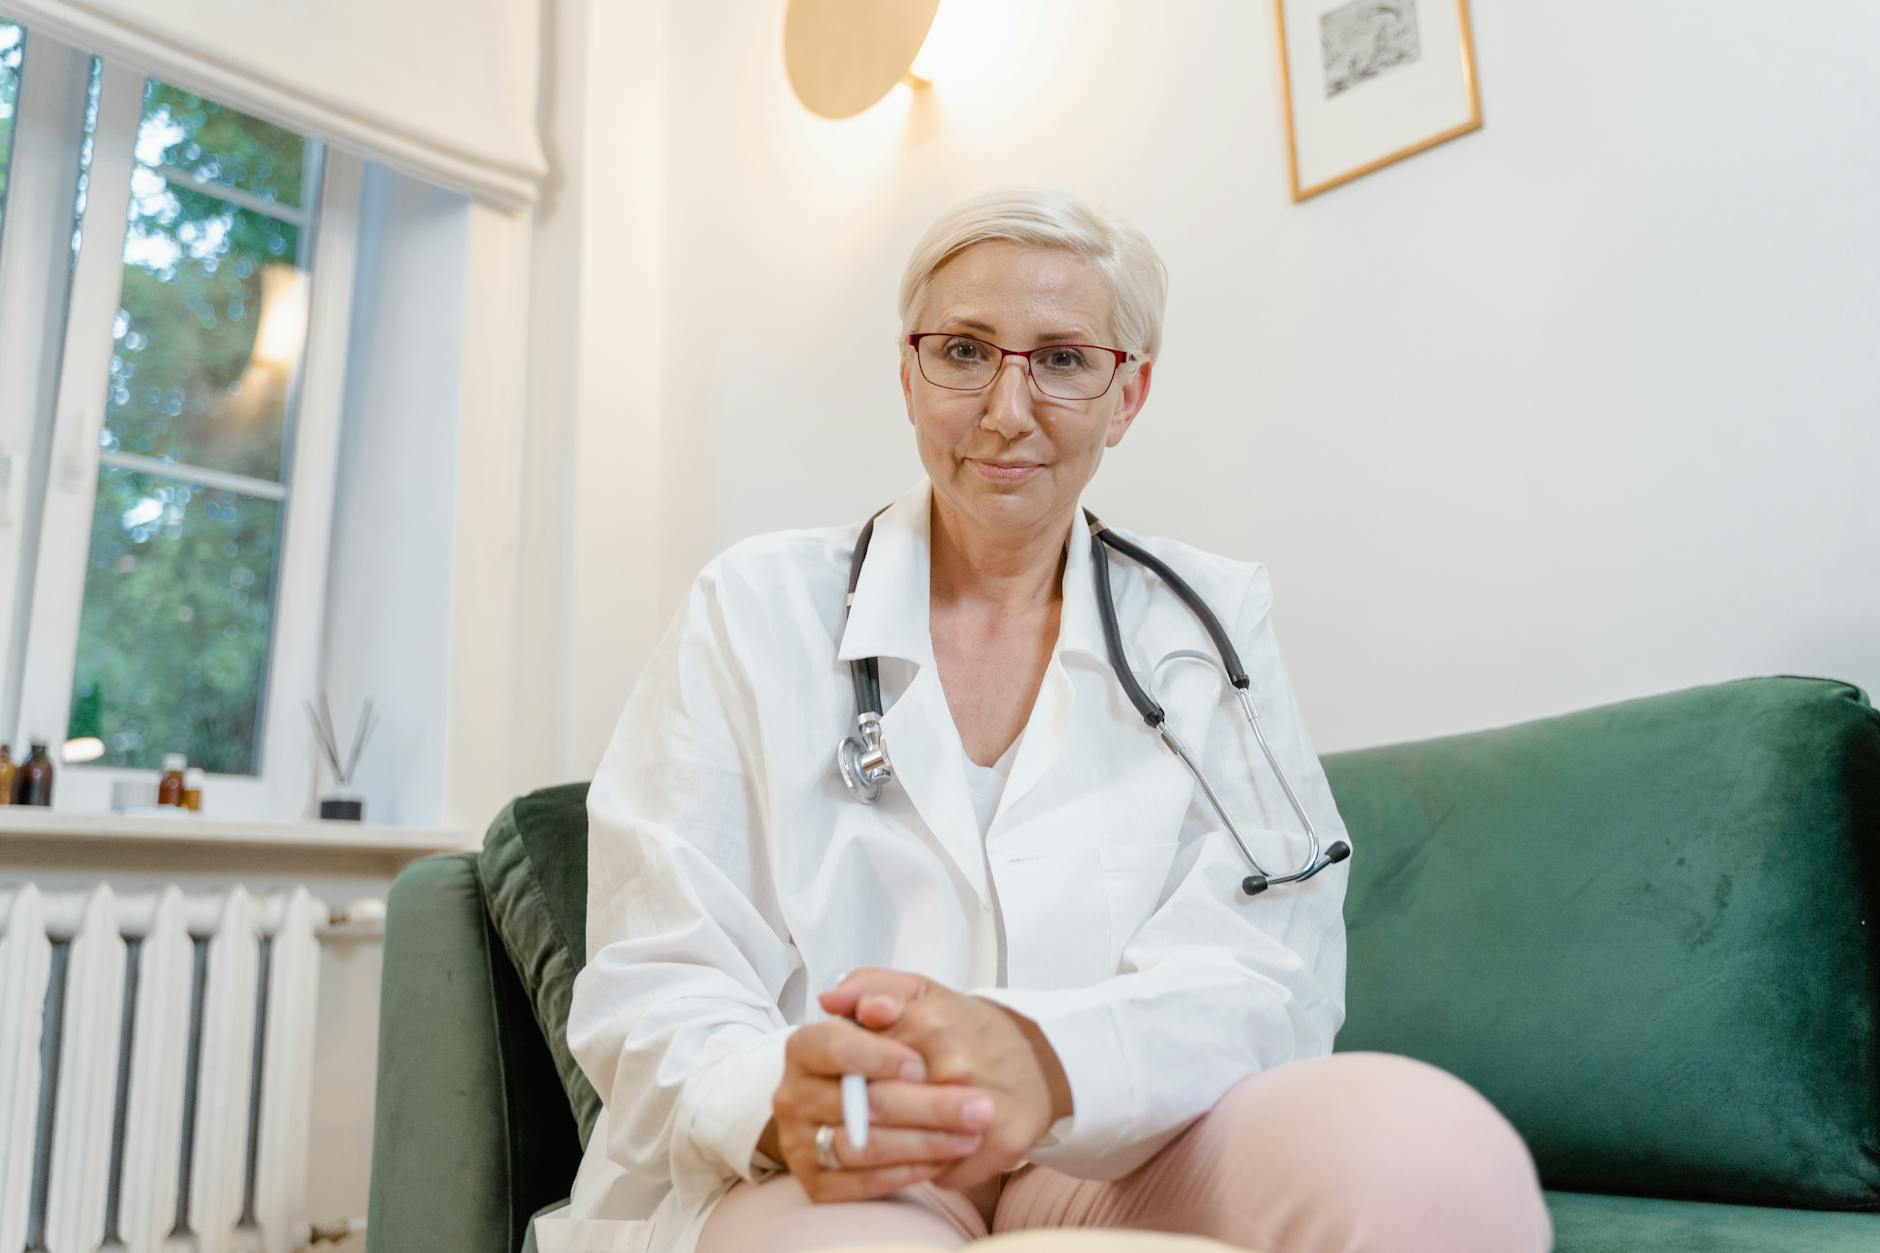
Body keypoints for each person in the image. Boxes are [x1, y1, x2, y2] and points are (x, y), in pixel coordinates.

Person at [542, 188, 1552, 1253]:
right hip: (835, 1156)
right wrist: (769, 1093)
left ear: (1128, 394)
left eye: (1063, 358)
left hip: (1107, 1145)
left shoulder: (1206, 625)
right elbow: (657, 970)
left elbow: (1267, 967)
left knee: (1433, 1163)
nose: (1005, 409)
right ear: (908, 373)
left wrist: (1044, 1057)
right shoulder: (752, 606)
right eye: (965, 351)